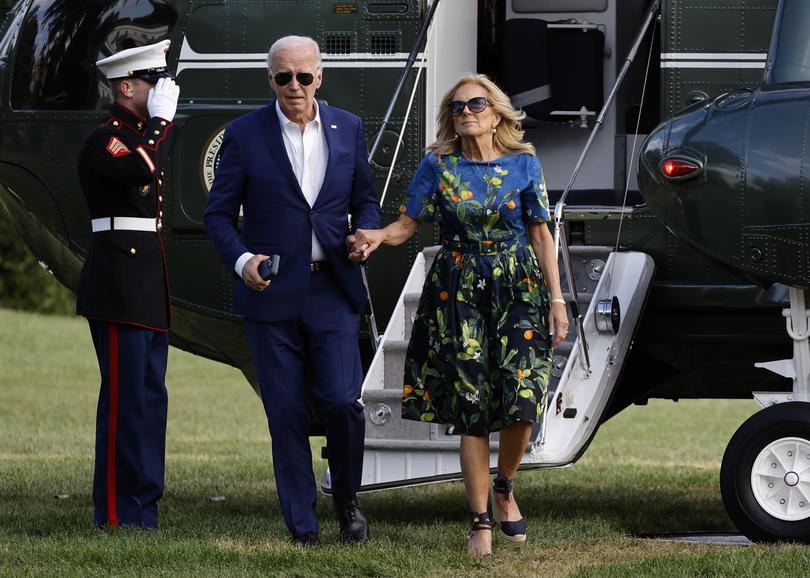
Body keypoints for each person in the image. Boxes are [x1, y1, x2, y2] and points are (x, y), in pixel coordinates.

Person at [349, 74, 568, 555]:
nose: (466, 111)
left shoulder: (524, 164)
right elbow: (407, 225)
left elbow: (540, 235)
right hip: (459, 289)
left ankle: (505, 484)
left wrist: (557, 299)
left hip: (518, 286)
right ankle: (480, 521)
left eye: (476, 104)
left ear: (497, 114)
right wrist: (377, 237)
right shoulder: (438, 165)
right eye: (457, 106)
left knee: (522, 397)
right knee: (471, 406)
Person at [203, 35, 380, 546]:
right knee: (284, 412)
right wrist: (242, 261)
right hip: (271, 292)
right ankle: (302, 526)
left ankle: (347, 499)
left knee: (344, 403)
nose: (295, 86)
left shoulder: (348, 128)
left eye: (304, 76)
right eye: (284, 77)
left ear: (319, 77)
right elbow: (217, 215)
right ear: (270, 80)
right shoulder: (243, 134)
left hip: (333, 289)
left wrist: (364, 235)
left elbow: (365, 201)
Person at [76, 39, 180, 528]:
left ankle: (145, 508)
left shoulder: (137, 135)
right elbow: (141, 166)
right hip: (118, 285)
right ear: (126, 86)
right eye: (152, 82)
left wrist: (157, 126)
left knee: (150, 399)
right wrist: (160, 124)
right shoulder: (106, 138)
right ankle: (117, 512)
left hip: (144, 283)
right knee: (124, 402)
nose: (161, 90)